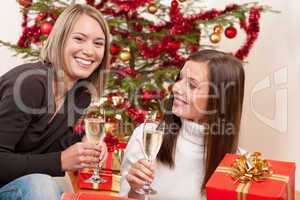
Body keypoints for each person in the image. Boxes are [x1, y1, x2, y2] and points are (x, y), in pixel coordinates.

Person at [0, 4, 111, 200]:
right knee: (41, 184)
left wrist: (84, 143)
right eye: (79, 39)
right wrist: (60, 161)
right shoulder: (29, 84)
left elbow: (46, 146)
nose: (89, 51)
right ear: (60, 39)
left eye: (98, 43)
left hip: (20, 188)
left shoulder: (80, 94)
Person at [119, 49, 245, 200]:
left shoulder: (241, 164)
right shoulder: (147, 137)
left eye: (192, 85)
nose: (176, 88)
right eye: (180, 79)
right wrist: (135, 191)